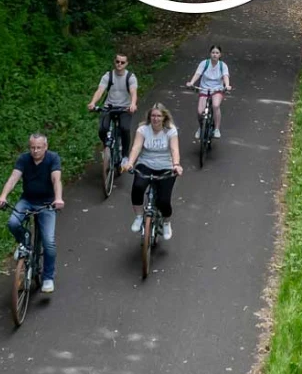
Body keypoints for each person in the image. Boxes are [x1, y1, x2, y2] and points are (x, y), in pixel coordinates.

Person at [0, 133, 64, 294]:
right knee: (13, 222)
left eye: (39, 147)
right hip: (27, 200)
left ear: (45, 147)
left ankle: (48, 277)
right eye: (32, 147)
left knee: (49, 242)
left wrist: (58, 198)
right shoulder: (24, 159)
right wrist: (3, 196)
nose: (35, 151)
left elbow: (56, 179)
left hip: (47, 204)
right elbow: (13, 178)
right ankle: (25, 243)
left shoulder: (53, 158)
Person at [122, 103, 182, 240]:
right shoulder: (143, 129)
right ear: (149, 117)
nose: (155, 119)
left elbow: (174, 150)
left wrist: (176, 164)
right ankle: (138, 216)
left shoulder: (170, 130)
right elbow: (136, 147)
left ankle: (166, 223)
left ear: (164, 117)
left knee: (164, 201)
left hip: (166, 166)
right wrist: (130, 163)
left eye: (159, 116)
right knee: (137, 187)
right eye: (153, 116)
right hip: (146, 164)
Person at [87, 53, 138, 166]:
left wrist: (133, 104)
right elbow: (100, 90)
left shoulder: (130, 77)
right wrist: (93, 102)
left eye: (122, 62)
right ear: (114, 62)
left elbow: (133, 92)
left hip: (125, 108)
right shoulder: (108, 76)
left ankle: (124, 156)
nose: (119, 64)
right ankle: (108, 149)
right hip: (109, 107)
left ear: (126, 64)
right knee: (102, 130)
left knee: (125, 129)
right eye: (117, 61)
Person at [186, 44, 231, 139]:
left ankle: (217, 129)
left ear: (220, 55)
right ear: (210, 54)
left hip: (217, 89)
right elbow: (197, 74)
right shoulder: (204, 63)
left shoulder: (223, 66)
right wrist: (192, 82)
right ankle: (201, 128)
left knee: (215, 105)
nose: (215, 55)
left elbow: (225, 76)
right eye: (213, 52)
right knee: (199, 111)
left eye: (217, 53)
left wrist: (227, 85)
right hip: (204, 89)